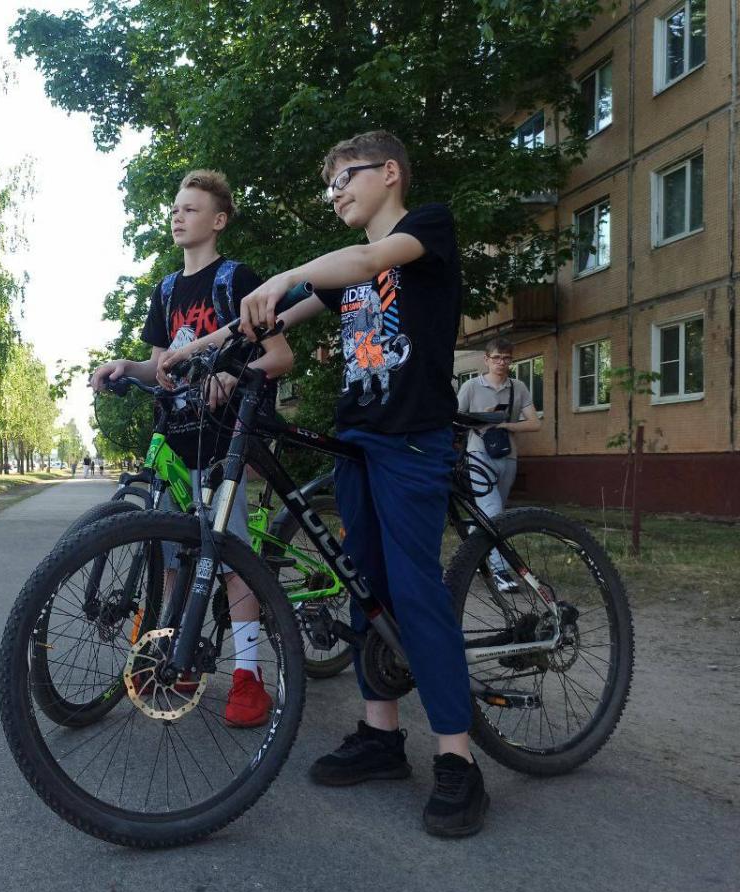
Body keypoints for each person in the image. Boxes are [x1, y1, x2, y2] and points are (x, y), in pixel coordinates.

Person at [238, 131, 489, 836]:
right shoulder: (341, 270)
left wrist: (282, 273)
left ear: (388, 172)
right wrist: (179, 357)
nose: (334, 192)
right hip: (358, 440)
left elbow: (369, 260)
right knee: (363, 584)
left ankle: (458, 759)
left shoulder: (425, 227)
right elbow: (273, 320)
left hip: (412, 437)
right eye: (328, 185)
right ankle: (381, 735)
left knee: (414, 589)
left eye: (343, 177)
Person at [90, 169, 293, 728]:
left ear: (218, 220)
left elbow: (279, 357)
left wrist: (232, 378)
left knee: (230, 557)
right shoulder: (165, 289)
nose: (178, 216)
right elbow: (163, 369)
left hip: (227, 438)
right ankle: (176, 658)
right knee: (175, 555)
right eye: (176, 208)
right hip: (178, 436)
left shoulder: (237, 281)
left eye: (191, 208)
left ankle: (249, 680)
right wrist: (124, 366)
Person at [457, 338, 541, 590]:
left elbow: (534, 423)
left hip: (508, 456)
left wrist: (504, 424)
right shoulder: (471, 386)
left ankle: (467, 560)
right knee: (493, 513)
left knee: (492, 514)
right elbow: (456, 421)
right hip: (478, 455)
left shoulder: (519, 387)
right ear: (486, 359)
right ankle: (501, 573)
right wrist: (480, 421)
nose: (501, 363)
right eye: (496, 358)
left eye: (506, 358)